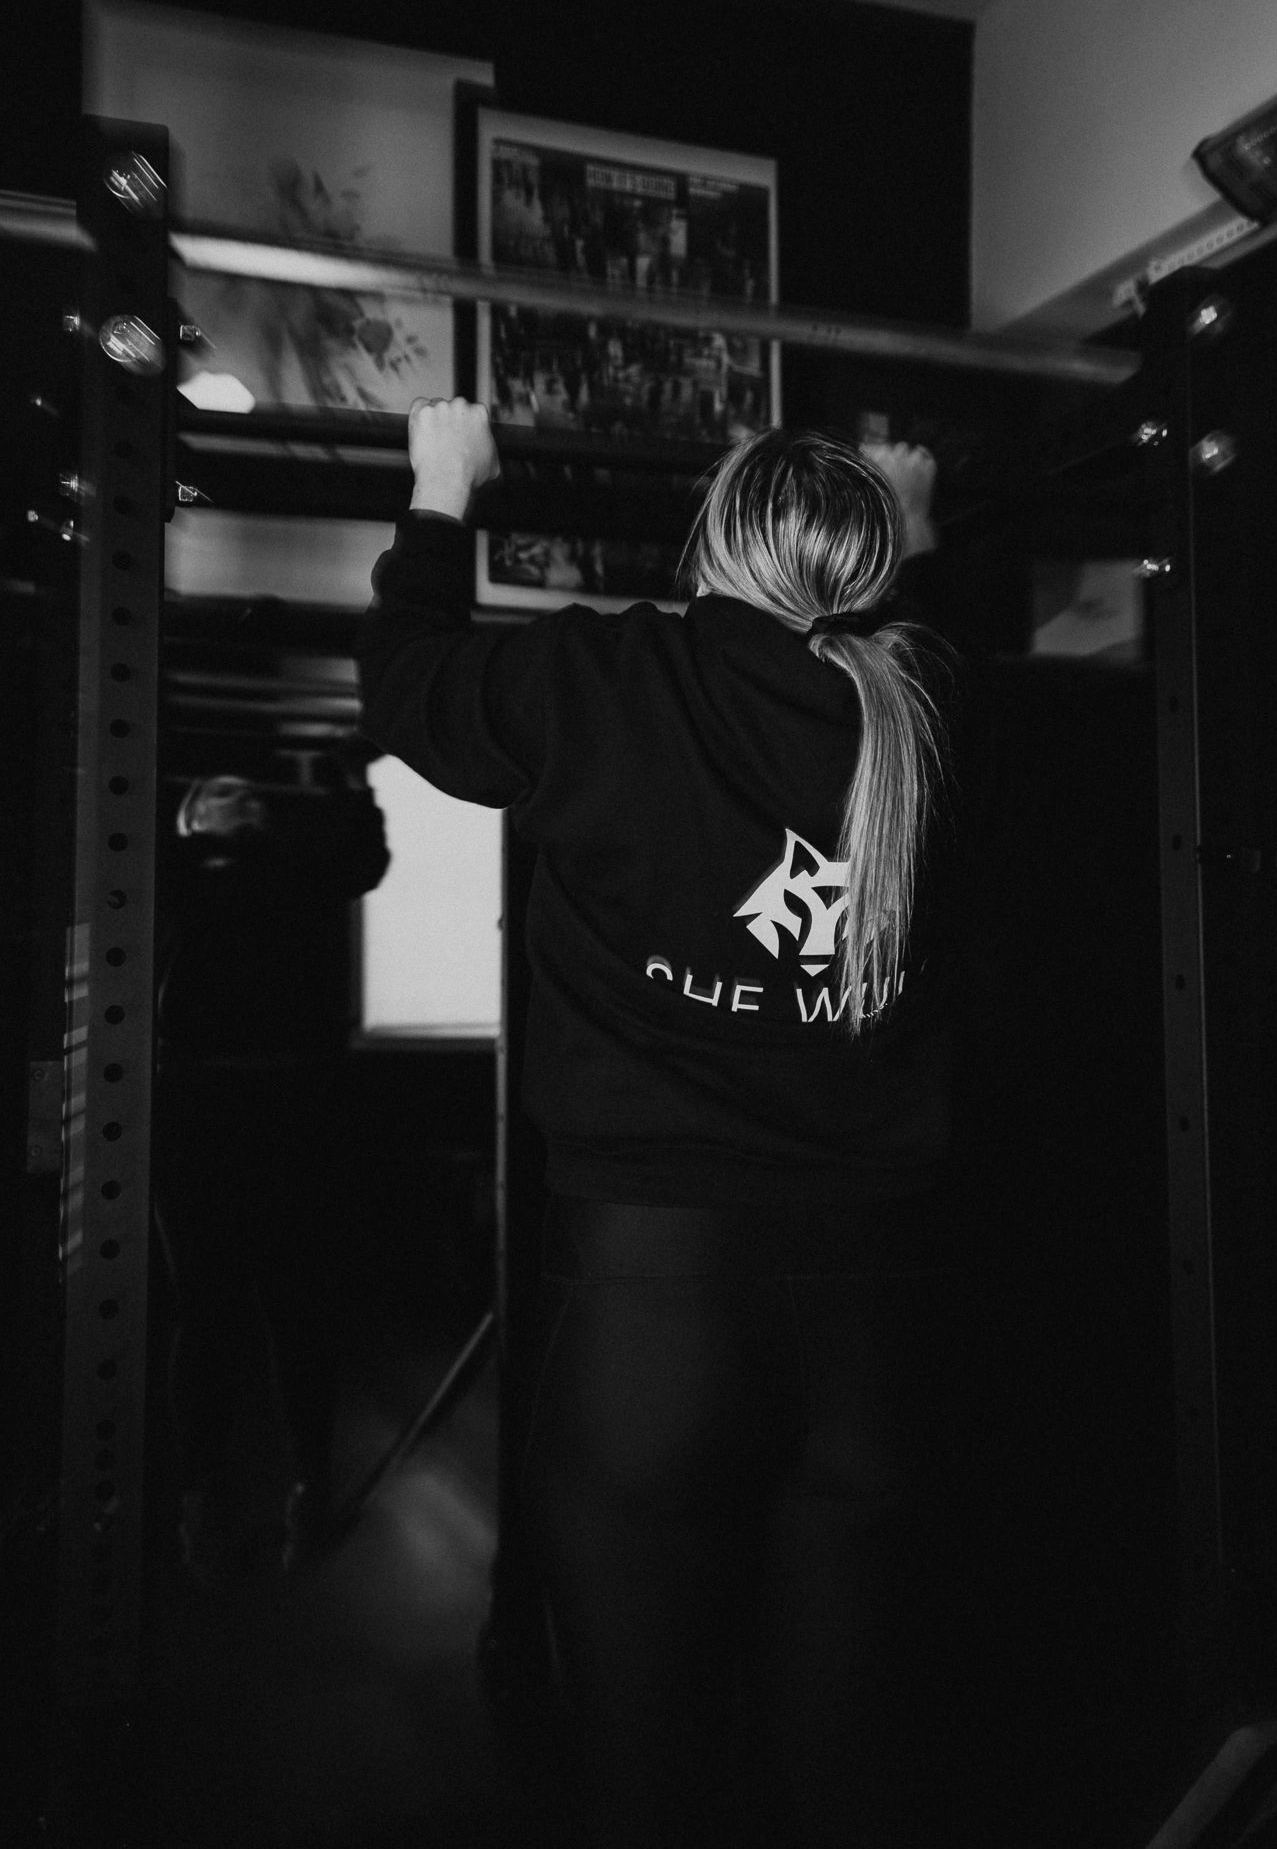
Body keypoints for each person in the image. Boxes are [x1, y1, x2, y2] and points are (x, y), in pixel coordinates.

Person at [357, 401, 982, 1847]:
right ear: (870, 569)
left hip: (652, 1309)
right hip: (876, 1322)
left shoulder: (609, 674)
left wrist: (443, 484)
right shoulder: (933, 703)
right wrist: (915, 525)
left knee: (642, 1769)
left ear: (708, 546)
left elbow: (407, 683)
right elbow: (919, 633)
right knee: (847, 1769)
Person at [154, 750, 390, 1579]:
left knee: (294, 1310)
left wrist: (352, 789)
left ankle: (305, 1491)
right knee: (211, 1312)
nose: (245, 795)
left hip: (281, 1110)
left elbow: (361, 864)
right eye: (222, 791)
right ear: (191, 817)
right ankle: (204, 1503)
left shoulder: (292, 872)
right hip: (209, 1113)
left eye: (250, 791)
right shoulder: (174, 878)